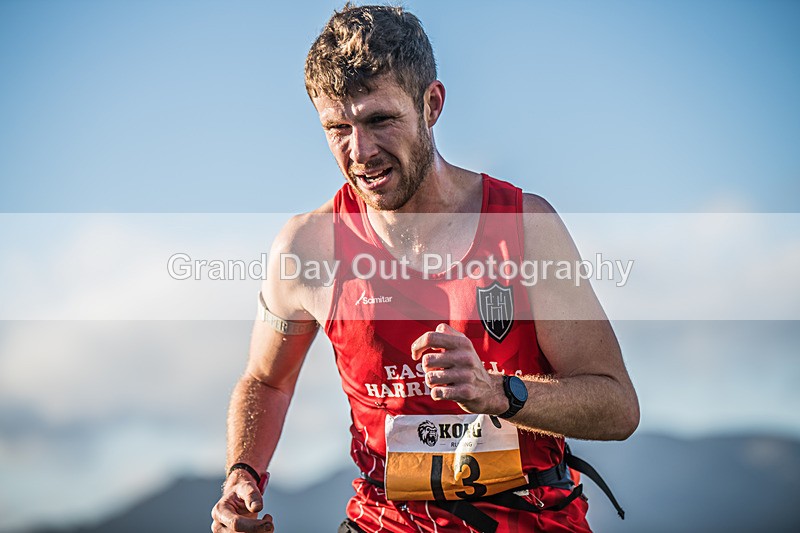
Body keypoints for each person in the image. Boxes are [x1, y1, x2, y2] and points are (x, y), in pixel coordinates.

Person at [211, 4, 639, 532]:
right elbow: (266, 382)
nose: (360, 151)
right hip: (383, 522)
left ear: (431, 104)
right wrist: (242, 473)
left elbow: (618, 406)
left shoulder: (523, 226)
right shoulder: (307, 247)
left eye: (380, 120)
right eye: (337, 127)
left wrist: (500, 392)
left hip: (532, 521)